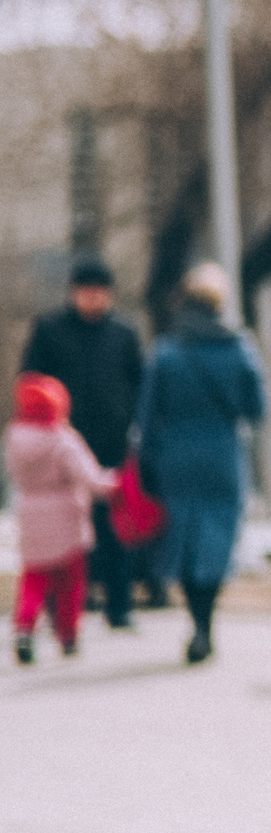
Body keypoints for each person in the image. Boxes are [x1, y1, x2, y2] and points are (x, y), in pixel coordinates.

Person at [133, 263, 267, 666]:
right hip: (221, 457)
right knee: (216, 541)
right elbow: (257, 408)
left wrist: (147, 463)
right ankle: (206, 625)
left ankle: (197, 623)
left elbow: (145, 415)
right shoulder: (240, 347)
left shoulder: (166, 352)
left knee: (184, 542)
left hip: (175, 458)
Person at [21, 256, 147, 626]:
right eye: (86, 292)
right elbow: (30, 382)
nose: (93, 299)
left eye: (100, 293)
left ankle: (119, 604)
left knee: (115, 526)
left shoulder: (124, 333)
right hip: (61, 447)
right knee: (63, 529)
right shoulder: (50, 330)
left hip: (112, 442)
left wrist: (134, 431)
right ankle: (67, 604)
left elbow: (138, 385)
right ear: (74, 293)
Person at [10, 372, 119, 664]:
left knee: (33, 578)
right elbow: (90, 478)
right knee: (70, 583)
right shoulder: (63, 439)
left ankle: (23, 629)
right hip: (66, 516)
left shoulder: (14, 437)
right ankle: (68, 635)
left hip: (30, 513)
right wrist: (117, 483)